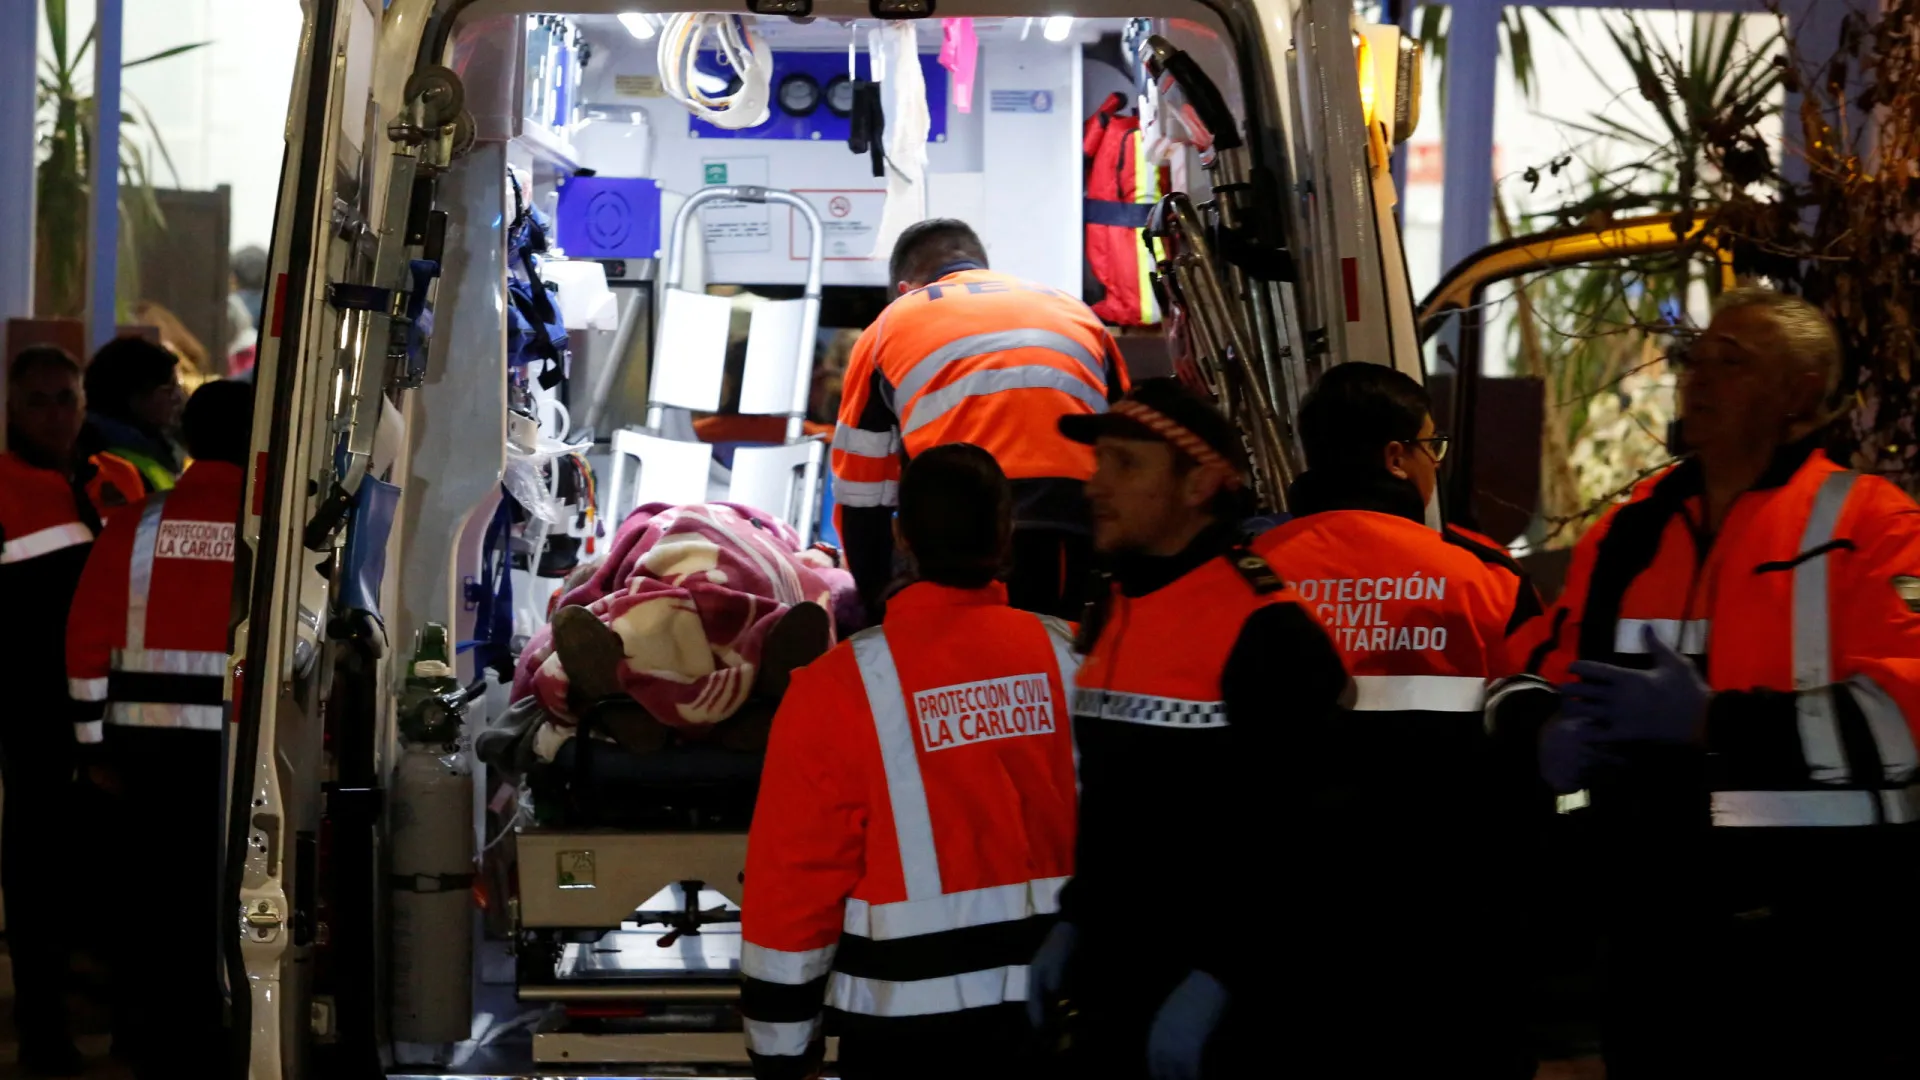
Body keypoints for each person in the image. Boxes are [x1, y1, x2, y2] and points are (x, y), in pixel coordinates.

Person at [1510, 289, 1920, 1077]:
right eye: (1697, 357)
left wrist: (1715, 724)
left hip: (1825, 945)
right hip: (1654, 942)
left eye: (1733, 362)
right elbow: (1535, 668)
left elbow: (1904, 721)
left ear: (1800, 393)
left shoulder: (1874, 526)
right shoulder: (1630, 531)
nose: (1699, 375)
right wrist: (1540, 733)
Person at [1030, 379, 1348, 1079]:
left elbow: (1302, 842)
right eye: (1099, 462)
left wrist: (1224, 980)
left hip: (1223, 1014)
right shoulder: (1120, 604)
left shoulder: (1266, 627)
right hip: (1117, 987)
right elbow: (1116, 802)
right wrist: (1076, 918)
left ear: (1199, 483)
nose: (1095, 485)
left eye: (1125, 464)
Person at [740, 444, 1080, 1080]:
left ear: (901, 537)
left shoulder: (837, 686)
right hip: (1063, 1014)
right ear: (1006, 530)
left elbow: (795, 882)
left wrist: (781, 1048)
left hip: (907, 1030)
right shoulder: (1073, 658)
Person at [1252, 361, 1535, 1076]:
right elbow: (1537, 744)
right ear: (1395, 457)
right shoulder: (1485, 578)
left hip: (1290, 928)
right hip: (1451, 926)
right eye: (1431, 445)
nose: (1437, 462)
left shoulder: (1246, 576)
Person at [66, 379, 253, 1078]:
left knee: (147, 896)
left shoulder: (135, 525)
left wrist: (92, 746)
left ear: (188, 440)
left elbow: (85, 645)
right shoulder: (270, 534)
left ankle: (144, 1037)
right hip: (240, 748)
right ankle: (221, 1034)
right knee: (227, 894)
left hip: (144, 751)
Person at [832, 218, 1129, 622]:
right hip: (1077, 520)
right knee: (1062, 648)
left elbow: (862, 494)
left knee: (972, 647)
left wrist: (875, 602)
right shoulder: (1074, 310)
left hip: (961, 534)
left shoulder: (889, 325)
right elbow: (1127, 438)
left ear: (904, 290)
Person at [0, 348, 143, 1076]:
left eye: (67, 398)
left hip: (119, 709)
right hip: (32, 715)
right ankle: (43, 1032)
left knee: (113, 875)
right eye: (39, 401)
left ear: (85, 402)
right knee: (37, 879)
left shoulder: (116, 478)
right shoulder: (3, 487)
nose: (56, 414)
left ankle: (120, 1023)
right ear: (12, 409)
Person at [81, 336, 187, 494]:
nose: (177, 398)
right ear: (135, 398)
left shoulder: (149, 448)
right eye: (168, 390)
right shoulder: (111, 466)